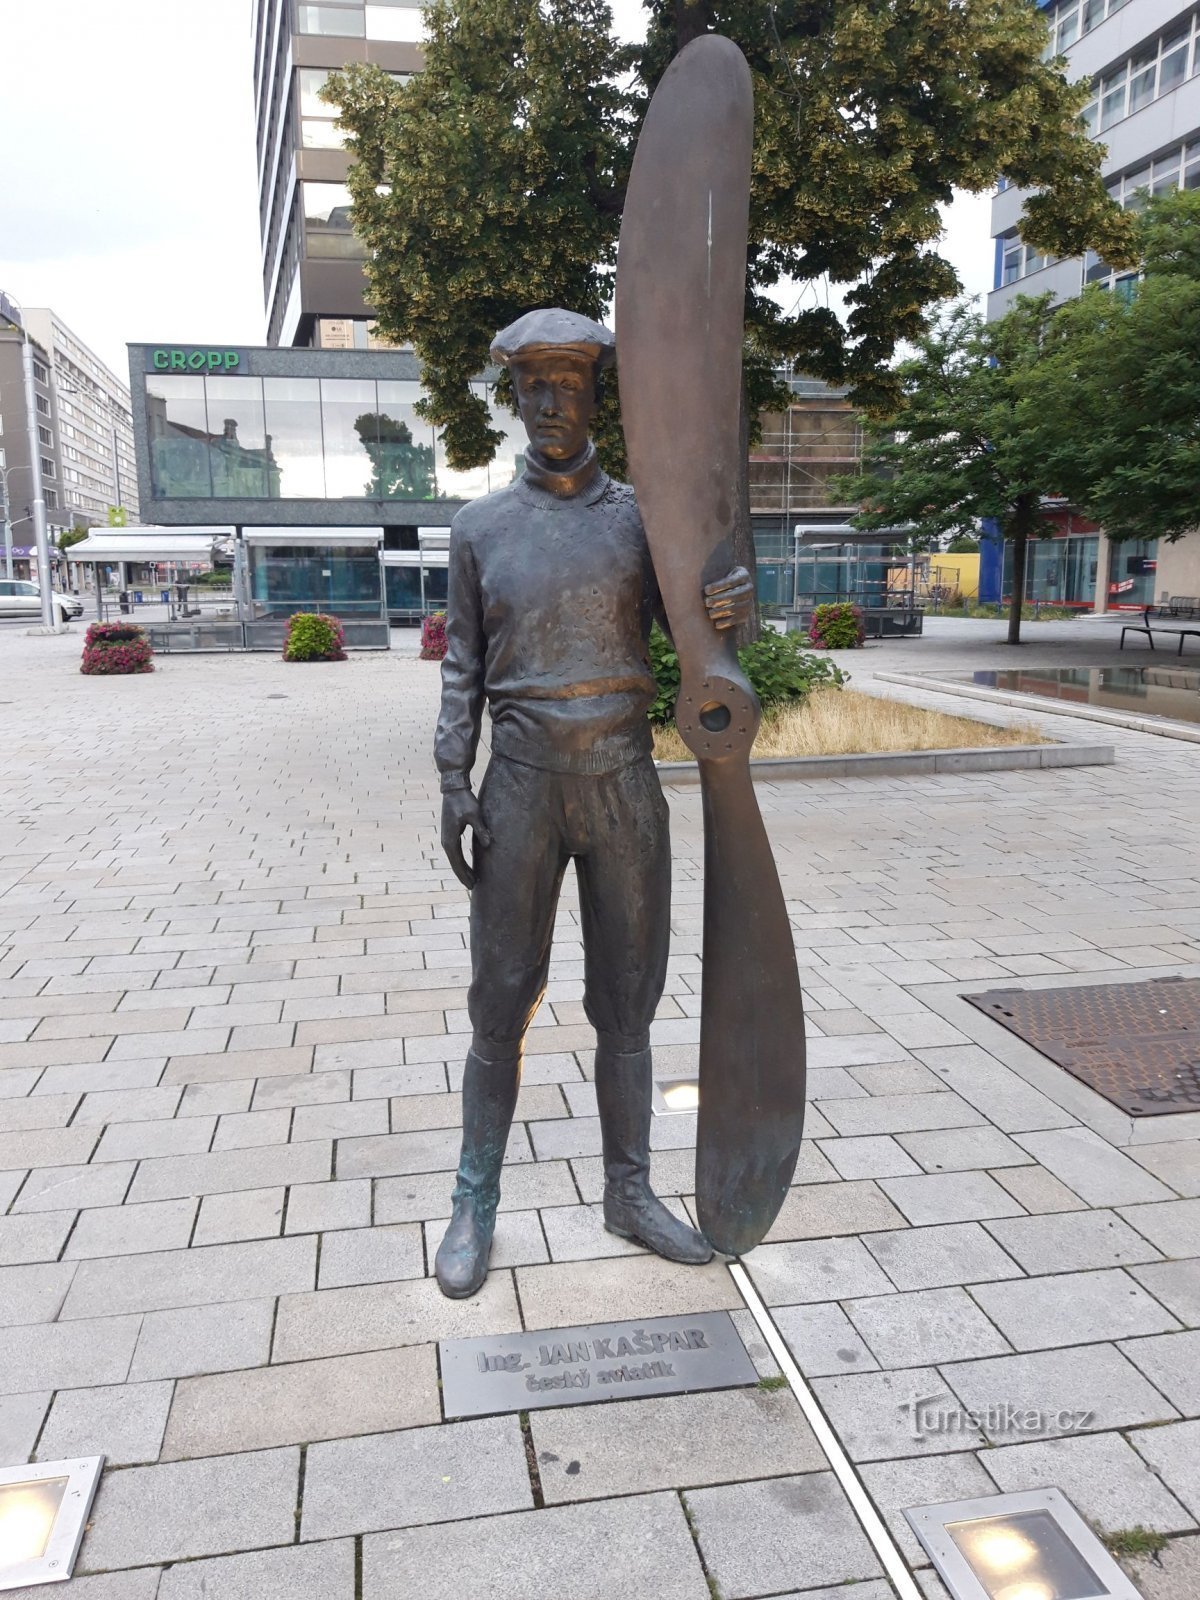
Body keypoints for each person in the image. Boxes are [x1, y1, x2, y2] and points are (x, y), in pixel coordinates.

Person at [433, 307, 753, 1298]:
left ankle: (629, 1189)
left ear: (591, 396)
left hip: (622, 780)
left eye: (568, 388)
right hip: (521, 786)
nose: (551, 407)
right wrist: (453, 774)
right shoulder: (479, 529)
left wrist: (725, 607)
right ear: (517, 400)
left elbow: (705, 647)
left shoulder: (641, 522)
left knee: (627, 999)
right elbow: (463, 668)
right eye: (535, 389)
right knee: (500, 999)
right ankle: (473, 1200)